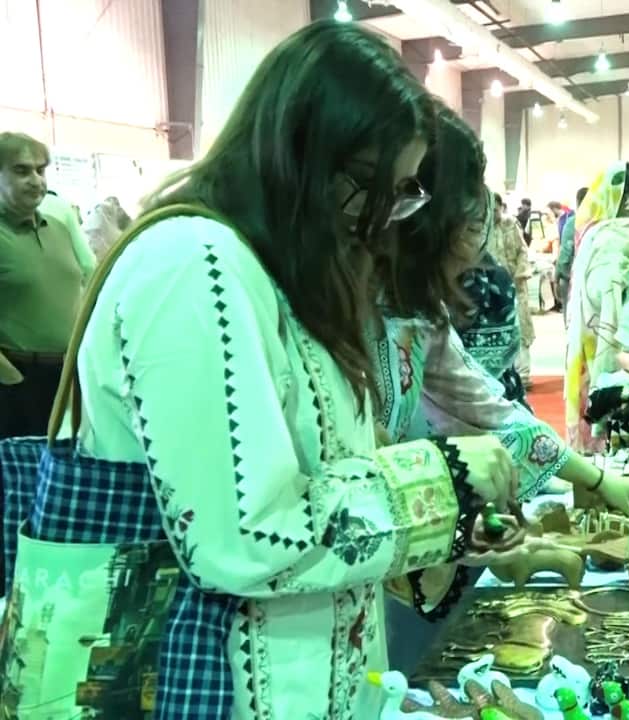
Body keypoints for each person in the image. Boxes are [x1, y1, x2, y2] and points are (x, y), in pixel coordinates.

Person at [0, 22, 528, 718]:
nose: (385, 222)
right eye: (384, 190)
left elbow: (324, 476)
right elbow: (246, 538)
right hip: (201, 684)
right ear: (311, 164)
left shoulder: (280, 279)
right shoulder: (193, 265)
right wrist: (444, 478)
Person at [376, 107, 629, 670]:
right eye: (468, 226)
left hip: (400, 566)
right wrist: (454, 495)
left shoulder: (414, 310)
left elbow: (491, 405)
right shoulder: (337, 310)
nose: (475, 247)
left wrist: (595, 476)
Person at [0, 133, 92, 441]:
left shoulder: (60, 229)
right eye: (22, 170)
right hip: (17, 380)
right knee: (16, 484)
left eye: (40, 170)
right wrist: (9, 376)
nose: (36, 180)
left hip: (68, 377)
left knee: (60, 477)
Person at [565, 161, 629, 452]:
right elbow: (600, 292)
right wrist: (627, 261)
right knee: (610, 441)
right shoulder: (608, 238)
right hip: (613, 352)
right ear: (625, 197)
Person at [488, 192, 535, 386]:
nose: (493, 214)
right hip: (492, 288)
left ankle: (523, 375)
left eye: (496, 210)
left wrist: (520, 275)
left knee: (521, 329)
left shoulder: (511, 225)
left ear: (502, 208)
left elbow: (523, 251)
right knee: (498, 329)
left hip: (516, 285)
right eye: (489, 210)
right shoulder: (481, 228)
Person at [555, 186, 589, 312]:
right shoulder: (600, 222)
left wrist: (557, 276)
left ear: (577, 202)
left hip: (571, 278)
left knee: (570, 320)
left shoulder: (572, 222)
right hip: (591, 279)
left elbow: (565, 254)